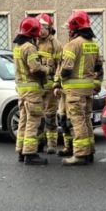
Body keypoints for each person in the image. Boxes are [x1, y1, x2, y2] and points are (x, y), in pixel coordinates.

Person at [55, 11, 103, 167]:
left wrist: (60, 80)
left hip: (74, 92)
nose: (68, 31)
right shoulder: (93, 45)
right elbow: (99, 68)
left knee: (77, 122)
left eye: (69, 28)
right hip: (88, 91)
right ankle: (89, 152)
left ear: (74, 29)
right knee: (86, 121)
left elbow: (67, 68)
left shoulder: (72, 44)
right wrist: (96, 85)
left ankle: (80, 155)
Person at [12, 17, 49, 166]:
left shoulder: (18, 47)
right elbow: (35, 68)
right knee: (33, 122)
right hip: (32, 92)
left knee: (23, 121)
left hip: (22, 91)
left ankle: (21, 151)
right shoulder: (29, 47)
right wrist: (48, 70)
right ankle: (30, 154)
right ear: (34, 32)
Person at [34, 13, 63, 154]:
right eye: (40, 26)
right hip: (37, 87)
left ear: (50, 27)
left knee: (50, 115)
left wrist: (57, 84)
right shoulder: (34, 43)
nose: (42, 30)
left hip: (50, 86)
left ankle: (52, 144)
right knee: (37, 116)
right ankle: (39, 143)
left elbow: (60, 65)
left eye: (45, 27)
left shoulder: (55, 44)